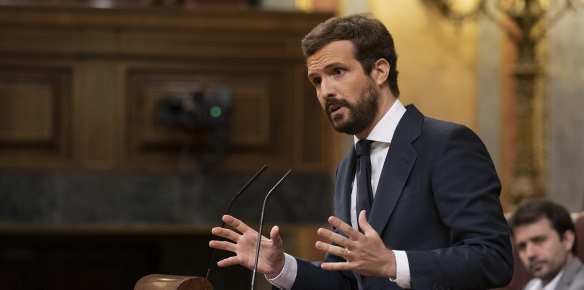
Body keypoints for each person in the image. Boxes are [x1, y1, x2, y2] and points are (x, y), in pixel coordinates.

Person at [209, 13, 513, 289]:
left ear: (379, 71)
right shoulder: (347, 167)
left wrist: (393, 263)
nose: (325, 91)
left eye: (337, 71)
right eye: (317, 80)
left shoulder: (446, 144)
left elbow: (493, 258)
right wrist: (281, 267)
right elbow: (347, 278)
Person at [509, 199, 584, 290]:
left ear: (567, 240)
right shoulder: (532, 285)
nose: (530, 254)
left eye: (539, 240)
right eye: (522, 246)